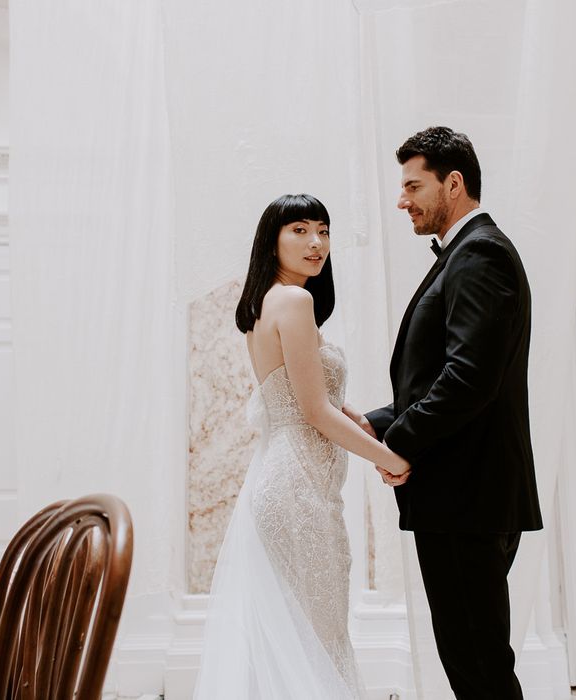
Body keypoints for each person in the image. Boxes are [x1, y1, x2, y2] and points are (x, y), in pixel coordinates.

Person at [193, 194, 410, 699]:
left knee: (309, 633)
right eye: (300, 230)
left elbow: (316, 395)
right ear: (272, 240)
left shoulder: (273, 301)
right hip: (297, 488)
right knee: (318, 636)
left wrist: (368, 424)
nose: (316, 243)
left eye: (324, 231)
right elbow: (313, 412)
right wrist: (392, 460)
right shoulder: (293, 300)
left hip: (296, 484)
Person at [361, 127, 543, 699]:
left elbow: (469, 378)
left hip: (466, 497)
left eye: (414, 185)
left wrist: (400, 443)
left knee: (478, 664)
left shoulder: (480, 254)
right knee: (472, 658)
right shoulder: (466, 256)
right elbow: (443, 377)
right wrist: (377, 423)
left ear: (454, 183)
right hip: (463, 496)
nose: (402, 200)